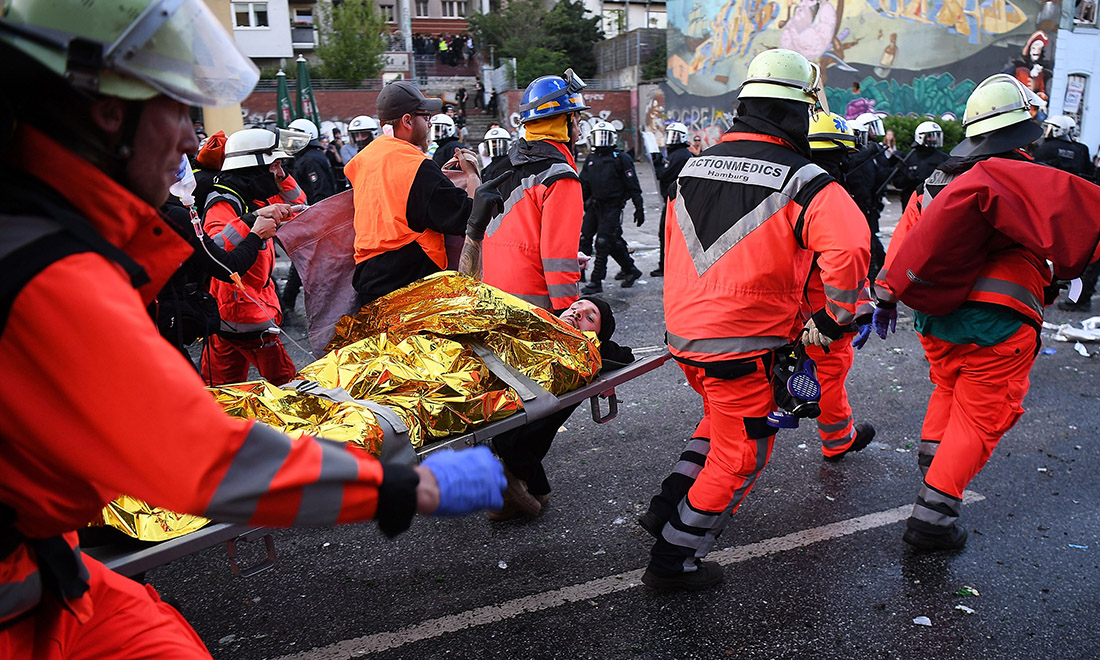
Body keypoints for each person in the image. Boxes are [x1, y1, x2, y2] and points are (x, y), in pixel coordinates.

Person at [0, 1, 506, 656]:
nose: (191, 142)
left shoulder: (37, 234)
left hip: (39, 567)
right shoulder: (49, 273)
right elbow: (202, 456)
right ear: (109, 111)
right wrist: (408, 486)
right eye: (178, 110)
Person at [636, 49, 870, 592]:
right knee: (742, 453)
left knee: (719, 423)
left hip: (687, 338)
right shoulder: (805, 179)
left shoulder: (690, 167)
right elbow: (852, 246)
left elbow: (672, 250)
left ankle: (666, 506)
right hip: (745, 345)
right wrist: (835, 319)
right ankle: (675, 560)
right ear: (798, 112)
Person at [874, 74, 1100, 551]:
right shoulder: (1023, 178)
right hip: (998, 321)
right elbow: (1066, 235)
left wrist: (887, 297)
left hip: (935, 318)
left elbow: (906, 247)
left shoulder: (935, 181)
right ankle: (933, 520)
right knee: (982, 415)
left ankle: (935, 465)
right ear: (1021, 130)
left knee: (949, 387)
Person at [490, 296, 634, 519]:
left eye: (590, 318)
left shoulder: (584, 356)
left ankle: (527, 488)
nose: (577, 313)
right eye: (575, 307)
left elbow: (623, 354)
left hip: (518, 419)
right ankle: (531, 489)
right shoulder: (536, 326)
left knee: (516, 438)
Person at [346, 80, 480, 305]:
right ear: (407, 120)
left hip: (369, 282)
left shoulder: (365, 159)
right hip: (409, 288)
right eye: (426, 117)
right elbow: (470, 217)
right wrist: (472, 175)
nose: (429, 124)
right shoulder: (416, 167)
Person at [200, 127, 305, 386]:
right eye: (275, 166)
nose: (280, 173)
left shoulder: (255, 194)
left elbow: (298, 202)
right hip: (243, 312)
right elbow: (215, 249)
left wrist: (280, 175)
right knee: (286, 385)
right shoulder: (224, 202)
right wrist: (250, 222)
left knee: (222, 388)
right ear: (253, 167)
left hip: (238, 311)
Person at [480, 69, 589, 312]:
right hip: (534, 307)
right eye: (577, 122)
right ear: (562, 123)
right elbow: (558, 259)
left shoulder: (502, 166)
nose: (580, 132)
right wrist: (568, 313)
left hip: (492, 299)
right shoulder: (560, 177)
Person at [804, 111, 878, 460]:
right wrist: (852, 309)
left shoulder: (788, 188)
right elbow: (847, 260)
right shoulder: (832, 196)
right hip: (821, 306)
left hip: (783, 304)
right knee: (830, 372)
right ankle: (837, 440)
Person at [156, 156, 278, 366]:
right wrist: (256, 234)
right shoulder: (176, 214)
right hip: (167, 320)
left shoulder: (136, 209)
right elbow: (226, 266)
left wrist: (252, 216)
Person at [578, 119, 644, 292]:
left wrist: (639, 207)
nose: (602, 140)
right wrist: (579, 204)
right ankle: (580, 273)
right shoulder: (591, 159)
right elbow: (583, 184)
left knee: (603, 241)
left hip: (612, 207)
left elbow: (633, 185)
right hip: (594, 206)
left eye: (605, 136)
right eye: (599, 136)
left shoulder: (621, 158)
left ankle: (597, 281)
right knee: (586, 239)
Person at [846, 112, 893, 289]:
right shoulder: (853, 154)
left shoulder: (873, 152)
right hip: (855, 205)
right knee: (868, 244)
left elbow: (878, 176)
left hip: (869, 205)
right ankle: (872, 278)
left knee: (873, 242)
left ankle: (878, 277)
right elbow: (850, 166)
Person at [650, 121, 695, 277]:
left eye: (675, 136)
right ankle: (666, 265)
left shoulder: (679, 155)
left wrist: (657, 163)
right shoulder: (679, 153)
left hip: (676, 200)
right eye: (670, 135)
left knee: (666, 233)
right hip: (677, 198)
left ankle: (666, 266)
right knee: (668, 233)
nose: (671, 139)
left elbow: (663, 174)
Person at [890, 120, 949, 209]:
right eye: (930, 136)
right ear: (920, 137)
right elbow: (898, 183)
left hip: (933, 203)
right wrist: (908, 178)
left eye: (936, 136)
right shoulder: (909, 158)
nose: (934, 139)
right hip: (911, 204)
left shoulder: (943, 158)